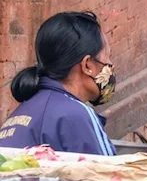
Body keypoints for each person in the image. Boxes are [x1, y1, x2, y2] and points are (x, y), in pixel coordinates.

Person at [0, 11, 116, 156]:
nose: (110, 65)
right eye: (107, 57)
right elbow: (107, 175)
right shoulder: (76, 114)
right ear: (87, 65)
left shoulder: (20, 114)